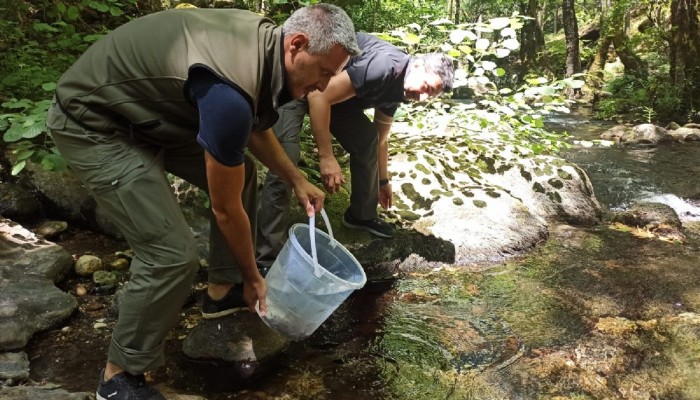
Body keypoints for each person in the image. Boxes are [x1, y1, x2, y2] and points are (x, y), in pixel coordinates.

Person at [46, 4, 359, 400]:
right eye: (324, 73)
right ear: (297, 44)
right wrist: (254, 277)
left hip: (152, 112)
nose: (324, 86)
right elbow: (226, 209)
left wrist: (296, 179)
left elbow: (252, 125)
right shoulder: (229, 91)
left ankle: (218, 292)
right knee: (170, 254)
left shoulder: (266, 50)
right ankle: (118, 376)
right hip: (95, 122)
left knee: (240, 173)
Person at [256, 32, 454, 272]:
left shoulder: (399, 88)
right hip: (304, 85)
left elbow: (380, 139)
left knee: (367, 138)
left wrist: (382, 180)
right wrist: (326, 157)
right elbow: (319, 96)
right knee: (286, 161)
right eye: (426, 87)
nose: (421, 98)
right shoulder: (384, 67)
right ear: (419, 65)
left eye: (429, 96)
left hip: (337, 96)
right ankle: (265, 259)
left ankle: (361, 215)